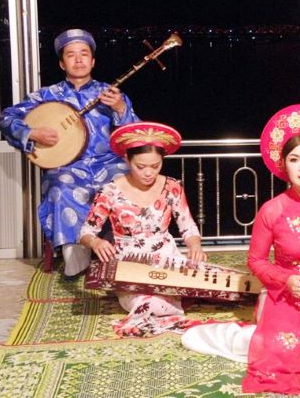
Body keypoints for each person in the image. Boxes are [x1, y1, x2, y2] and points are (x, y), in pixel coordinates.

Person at [182, 104, 300, 395]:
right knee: (283, 349)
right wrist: (286, 280)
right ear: (284, 166)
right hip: (285, 297)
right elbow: (255, 260)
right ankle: (231, 335)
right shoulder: (272, 210)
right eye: (295, 160)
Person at [0, 29, 140, 278]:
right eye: (71, 55)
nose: (78, 59)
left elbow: (135, 134)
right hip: (69, 166)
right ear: (62, 63)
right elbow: (6, 118)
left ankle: (127, 251)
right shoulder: (46, 96)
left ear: (93, 61)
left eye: (84, 54)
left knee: (126, 182)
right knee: (60, 184)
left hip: (109, 164)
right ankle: (76, 257)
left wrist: (120, 109)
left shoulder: (111, 93)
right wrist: (32, 133)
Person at [78, 122, 207, 337]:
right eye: (141, 166)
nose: (149, 173)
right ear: (127, 159)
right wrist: (96, 242)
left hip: (166, 258)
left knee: (206, 283)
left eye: (155, 166)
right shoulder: (110, 191)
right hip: (129, 263)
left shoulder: (172, 186)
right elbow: (86, 232)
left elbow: (188, 226)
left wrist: (195, 246)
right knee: (149, 301)